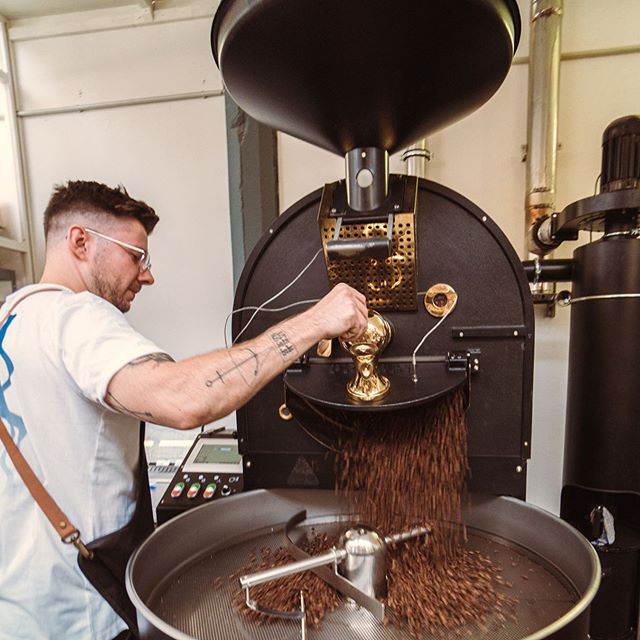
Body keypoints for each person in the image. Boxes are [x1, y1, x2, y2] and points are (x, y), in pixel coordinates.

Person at [0, 180, 368, 640]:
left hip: (20, 609)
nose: (147, 275)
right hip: (83, 615)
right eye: (136, 256)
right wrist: (318, 320)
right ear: (80, 242)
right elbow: (183, 399)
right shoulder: (74, 318)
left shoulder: (10, 317)